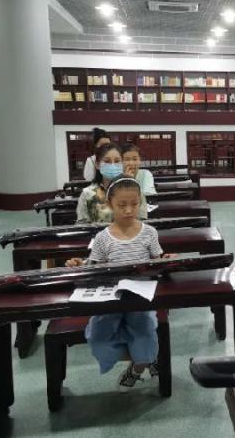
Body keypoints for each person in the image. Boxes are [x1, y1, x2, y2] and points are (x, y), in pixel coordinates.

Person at [67, 176, 173, 390]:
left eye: (134, 204)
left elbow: (157, 263)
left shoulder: (149, 233)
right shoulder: (103, 238)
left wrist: (166, 261)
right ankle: (143, 358)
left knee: (144, 331)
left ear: (140, 201)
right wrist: (80, 264)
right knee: (98, 337)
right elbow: (94, 266)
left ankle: (138, 367)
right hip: (111, 298)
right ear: (110, 204)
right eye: (122, 205)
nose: (128, 210)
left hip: (140, 298)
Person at [76, 143, 147, 223]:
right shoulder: (87, 194)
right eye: (107, 161)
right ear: (97, 164)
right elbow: (82, 226)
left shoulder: (135, 190)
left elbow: (142, 223)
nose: (113, 165)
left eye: (117, 161)